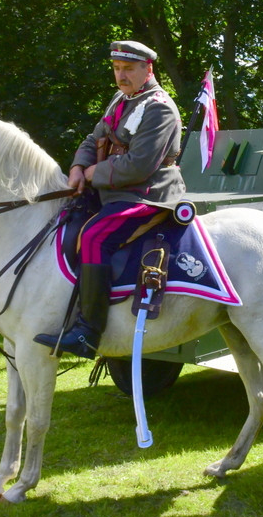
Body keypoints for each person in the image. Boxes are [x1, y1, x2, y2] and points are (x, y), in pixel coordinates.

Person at [34, 39, 185, 358]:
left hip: (148, 194)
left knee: (94, 236)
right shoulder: (121, 100)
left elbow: (139, 165)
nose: (121, 75)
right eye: (117, 69)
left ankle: (88, 332)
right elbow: (95, 138)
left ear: (148, 69)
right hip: (114, 192)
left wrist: (92, 174)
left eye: (129, 69)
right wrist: (77, 167)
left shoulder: (159, 107)